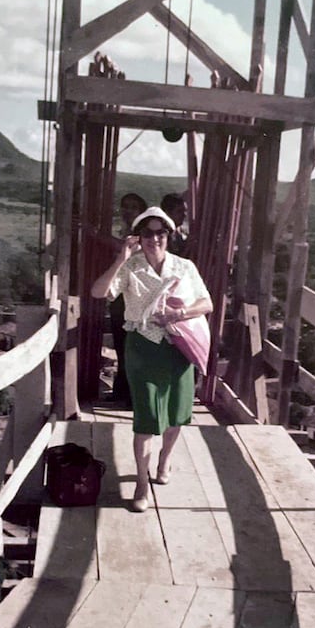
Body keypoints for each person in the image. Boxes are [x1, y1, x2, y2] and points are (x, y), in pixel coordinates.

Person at [91, 206, 213, 512]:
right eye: (147, 233)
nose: (154, 239)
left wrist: (179, 313)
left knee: (177, 410)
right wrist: (120, 258)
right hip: (143, 347)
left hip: (178, 346)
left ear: (169, 236)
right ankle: (142, 486)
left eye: (161, 233)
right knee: (146, 417)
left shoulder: (184, 267)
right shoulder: (130, 267)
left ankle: (165, 461)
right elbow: (98, 292)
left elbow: (207, 303)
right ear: (138, 237)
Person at [109, 193, 147, 404]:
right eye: (125, 206)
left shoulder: (143, 233)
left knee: (132, 350)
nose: (128, 210)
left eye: (133, 207)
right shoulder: (125, 231)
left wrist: (95, 234)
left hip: (135, 299)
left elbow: (128, 249)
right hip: (120, 299)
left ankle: (132, 397)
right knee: (122, 348)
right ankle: (124, 393)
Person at [160, 192, 190, 256]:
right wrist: (188, 246)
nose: (184, 214)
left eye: (185, 211)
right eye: (179, 211)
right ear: (167, 213)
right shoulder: (161, 235)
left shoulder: (184, 231)